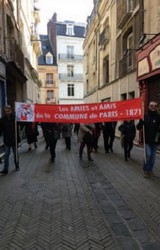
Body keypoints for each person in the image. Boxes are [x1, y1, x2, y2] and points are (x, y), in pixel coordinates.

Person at [137, 101, 160, 178]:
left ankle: (150, 170)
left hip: (155, 141)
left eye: (154, 106)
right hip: (147, 140)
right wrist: (141, 123)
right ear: (148, 106)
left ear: (157, 107)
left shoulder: (158, 117)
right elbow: (138, 127)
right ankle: (146, 171)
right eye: (151, 105)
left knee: (153, 157)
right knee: (148, 155)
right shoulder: (144, 116)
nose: (153, 107)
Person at [0, 105, 20, 175]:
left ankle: (17, 166)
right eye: (5, 111)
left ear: (11, 110)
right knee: (6, 155)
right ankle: (5, 170)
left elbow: (18, 128)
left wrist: (18, 139)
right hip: (7, 140)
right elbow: (1, 130)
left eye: (8, 111)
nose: (7, 113)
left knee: (15, 154)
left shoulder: (15, 118)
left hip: (14, 140)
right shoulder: (2, 120)